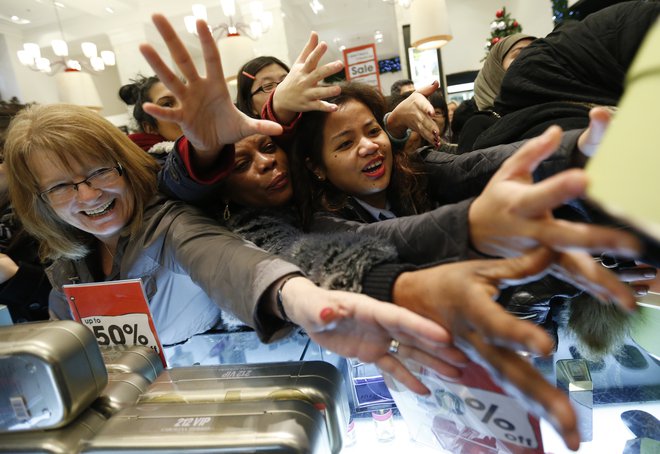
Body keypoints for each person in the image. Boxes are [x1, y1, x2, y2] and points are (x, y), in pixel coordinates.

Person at [118, 75, 183, 157]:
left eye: (185, 99)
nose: (184, 107)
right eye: (167, 104)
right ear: (150, 127)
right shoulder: (161, 165)